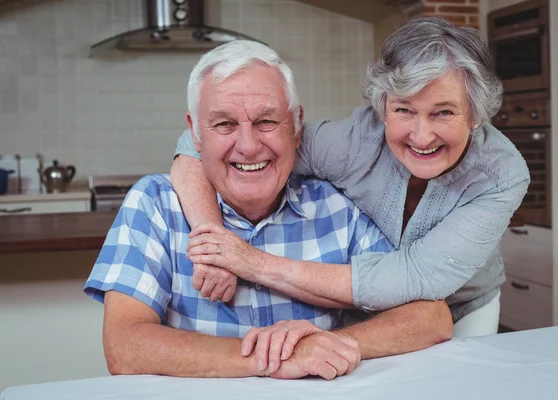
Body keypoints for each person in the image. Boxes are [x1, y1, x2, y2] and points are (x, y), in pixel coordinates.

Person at [84, 40, 453, 380]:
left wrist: (333, 345)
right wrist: (278, 357)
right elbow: (124, 347)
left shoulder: (336, 207)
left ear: (295, 126)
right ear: (195, 133)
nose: (248, 146)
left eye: (266, 122)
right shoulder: (154, 205)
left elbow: (431, 317)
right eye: (225, 124)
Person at [171, 16, 531, 345]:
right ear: (383, 106)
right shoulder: (355, 141)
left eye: (444, 112)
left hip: (465, 307)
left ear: (475, 115)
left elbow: (415, 276)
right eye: (403, 109)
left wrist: (251, 262)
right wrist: (214, 246)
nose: (422, 137)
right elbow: (196, 148)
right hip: (369, 313)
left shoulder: (501, 175)